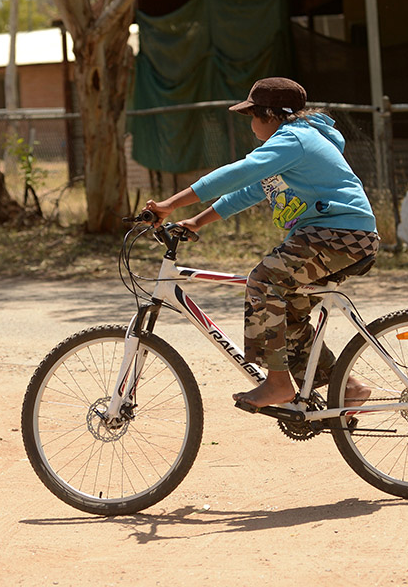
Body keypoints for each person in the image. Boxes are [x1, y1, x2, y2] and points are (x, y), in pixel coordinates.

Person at [145, 77, 379, 411]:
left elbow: (237, 173)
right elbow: (249, 190)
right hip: (340, 238)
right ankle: (348, 387)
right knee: (288, 315)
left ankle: (278, 383)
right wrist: (196, 221)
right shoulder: (290, 146)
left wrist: (171, 203)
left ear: (270, 114)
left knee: (263, 281)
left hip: (336, 236)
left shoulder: (294, 139)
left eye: (252, 115)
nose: (250, 124)